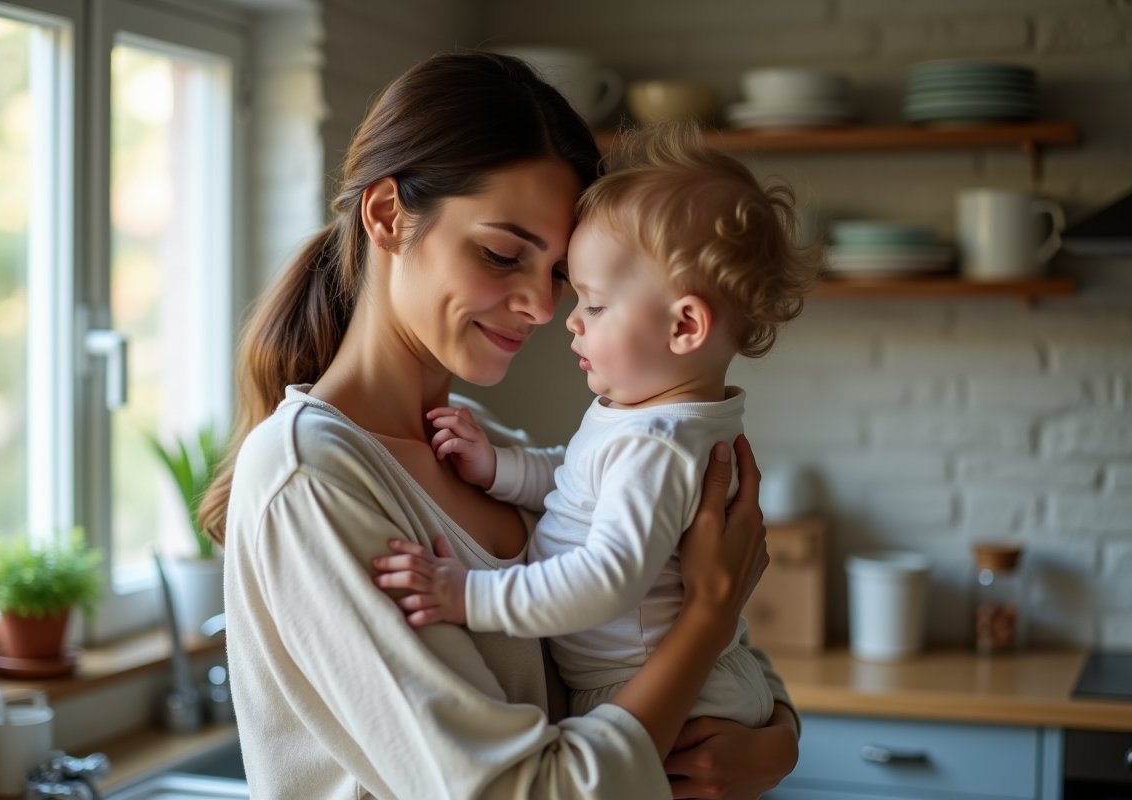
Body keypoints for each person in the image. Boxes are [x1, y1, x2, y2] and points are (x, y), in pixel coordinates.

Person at [200, 52, 799, 799]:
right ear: (387, 216)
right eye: (502, 254)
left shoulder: (477, 441)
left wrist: (777, 736)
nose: (544, 309)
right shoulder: (311, 478)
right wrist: (710, 617)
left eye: (557, 274)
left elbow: (659, 626)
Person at [373, 124, 821, 728]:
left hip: (656, 689)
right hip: (666, 676)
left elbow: (607, 578)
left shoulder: (657, 446)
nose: (568, 319)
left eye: (596, 303)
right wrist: (500, 468)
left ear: (684, 327)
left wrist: (466, 596)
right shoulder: (656, 424)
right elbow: (579, 486)